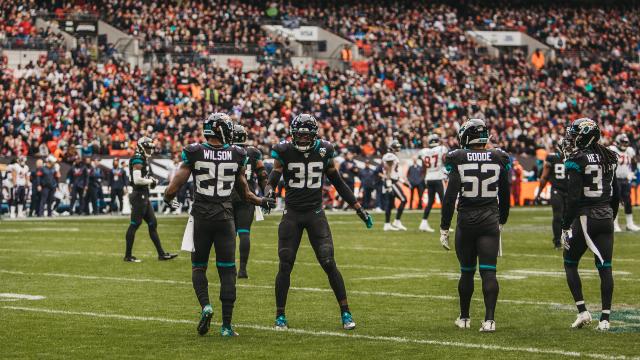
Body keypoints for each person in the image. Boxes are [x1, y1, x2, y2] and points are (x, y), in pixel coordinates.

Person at [163, 113, 275, 337]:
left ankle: (206, 306)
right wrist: (262, 200)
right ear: (223, 131)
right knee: (227, 271)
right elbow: (245, 193)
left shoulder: (194, 151)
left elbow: (173, 188)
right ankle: (226, 326)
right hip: (225, 217)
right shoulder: (237, 153)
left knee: (198, 267)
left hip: (201, 217)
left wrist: (168, 199)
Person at [266, 114, 373, 331]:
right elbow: (273, 178)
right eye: (300, 135)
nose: (304, 139)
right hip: (292, 214)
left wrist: (357, 207)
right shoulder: (284, 151)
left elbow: (338, 182)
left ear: (314, 135)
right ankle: (280, 316)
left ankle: (345, 312)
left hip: (315, 213)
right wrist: (268, 194)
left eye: (307, 135)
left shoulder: (324, 150)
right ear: (293, 134)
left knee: (328, 261)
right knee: (285, 263)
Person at [440, 119, 511, 332]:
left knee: (467, 272)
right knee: (489, 272)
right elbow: (505, 193)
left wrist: (444, 226)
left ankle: (464, 318)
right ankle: (489, 320)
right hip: (490, 219)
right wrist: (503, 219)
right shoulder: (499, 156)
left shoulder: (458, 157)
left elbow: (450, 195)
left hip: (467, 220)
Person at [561, 118, 619, 331]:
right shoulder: (609, 156)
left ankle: (583, 311)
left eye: (575, 134)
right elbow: (616, 192)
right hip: (605, 214)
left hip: (586, 217)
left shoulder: (577, 158)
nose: (572, 138)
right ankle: (605, 318)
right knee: (605, 267)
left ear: (585, 136)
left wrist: (566, 224)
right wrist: (611, 217)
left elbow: (574, 197)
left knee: (569, 262)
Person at [124, 136, 177, 263]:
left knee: (153, 223)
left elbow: (142, 179)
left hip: (143, 195)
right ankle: (128, 256)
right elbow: (137, 180)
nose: (150, 150)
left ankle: (161, 254)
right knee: (135, 224)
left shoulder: (142, 158)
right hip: (138, 195)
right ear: (142, 147)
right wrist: (151, 181)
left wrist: (150, 182)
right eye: (148, 147)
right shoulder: (137, 158)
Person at [231, 124, 268, 279]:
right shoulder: (253, 152)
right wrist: (266, 194)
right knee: (244, 232)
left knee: (229, 235)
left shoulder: (226, 151)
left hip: (229, 196)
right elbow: (262, 175)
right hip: (248, 196)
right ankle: (243, 270)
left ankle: (231, 267)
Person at [535, 140, 568, 249]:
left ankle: (567, 240)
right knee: (558, 216)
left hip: (568, 191)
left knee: (568, 217)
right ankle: (557, 241)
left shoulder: (574, 157)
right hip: (557, 190)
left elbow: (544, 177)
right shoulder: (552, 158)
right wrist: (539, 192)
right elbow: (544, 177)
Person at [608, 134, 639, 232]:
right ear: (617, 142)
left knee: (628, 202)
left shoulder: (630, 151)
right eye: (622, 142)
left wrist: (632, 172)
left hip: (626, 179)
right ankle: (614, 224)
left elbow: (634, 162)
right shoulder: (612, 150)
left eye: (626, 142)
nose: (624, 144)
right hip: (615, 179)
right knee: (615, 201)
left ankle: (630, 224)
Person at [418, 134, 448, 232]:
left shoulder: (424, 151)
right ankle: (444, 225)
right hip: (438, 177)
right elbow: (445, 159)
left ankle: (423, 222)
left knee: (430, 202)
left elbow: (422, 162)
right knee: (444, 202)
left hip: (429, 178)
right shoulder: (441, 148)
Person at [381, 140, 407, 231]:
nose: (398, 149)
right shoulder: (390, 156)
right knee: (404, 199)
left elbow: (394, 173)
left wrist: (402, 181)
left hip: (392, 180)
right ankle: (397, 221)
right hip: (390, 181)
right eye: (396, 147)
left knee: (390, 204)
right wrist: (388, 184)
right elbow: (388, 170)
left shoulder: (391, 156)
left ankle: (387, 224)